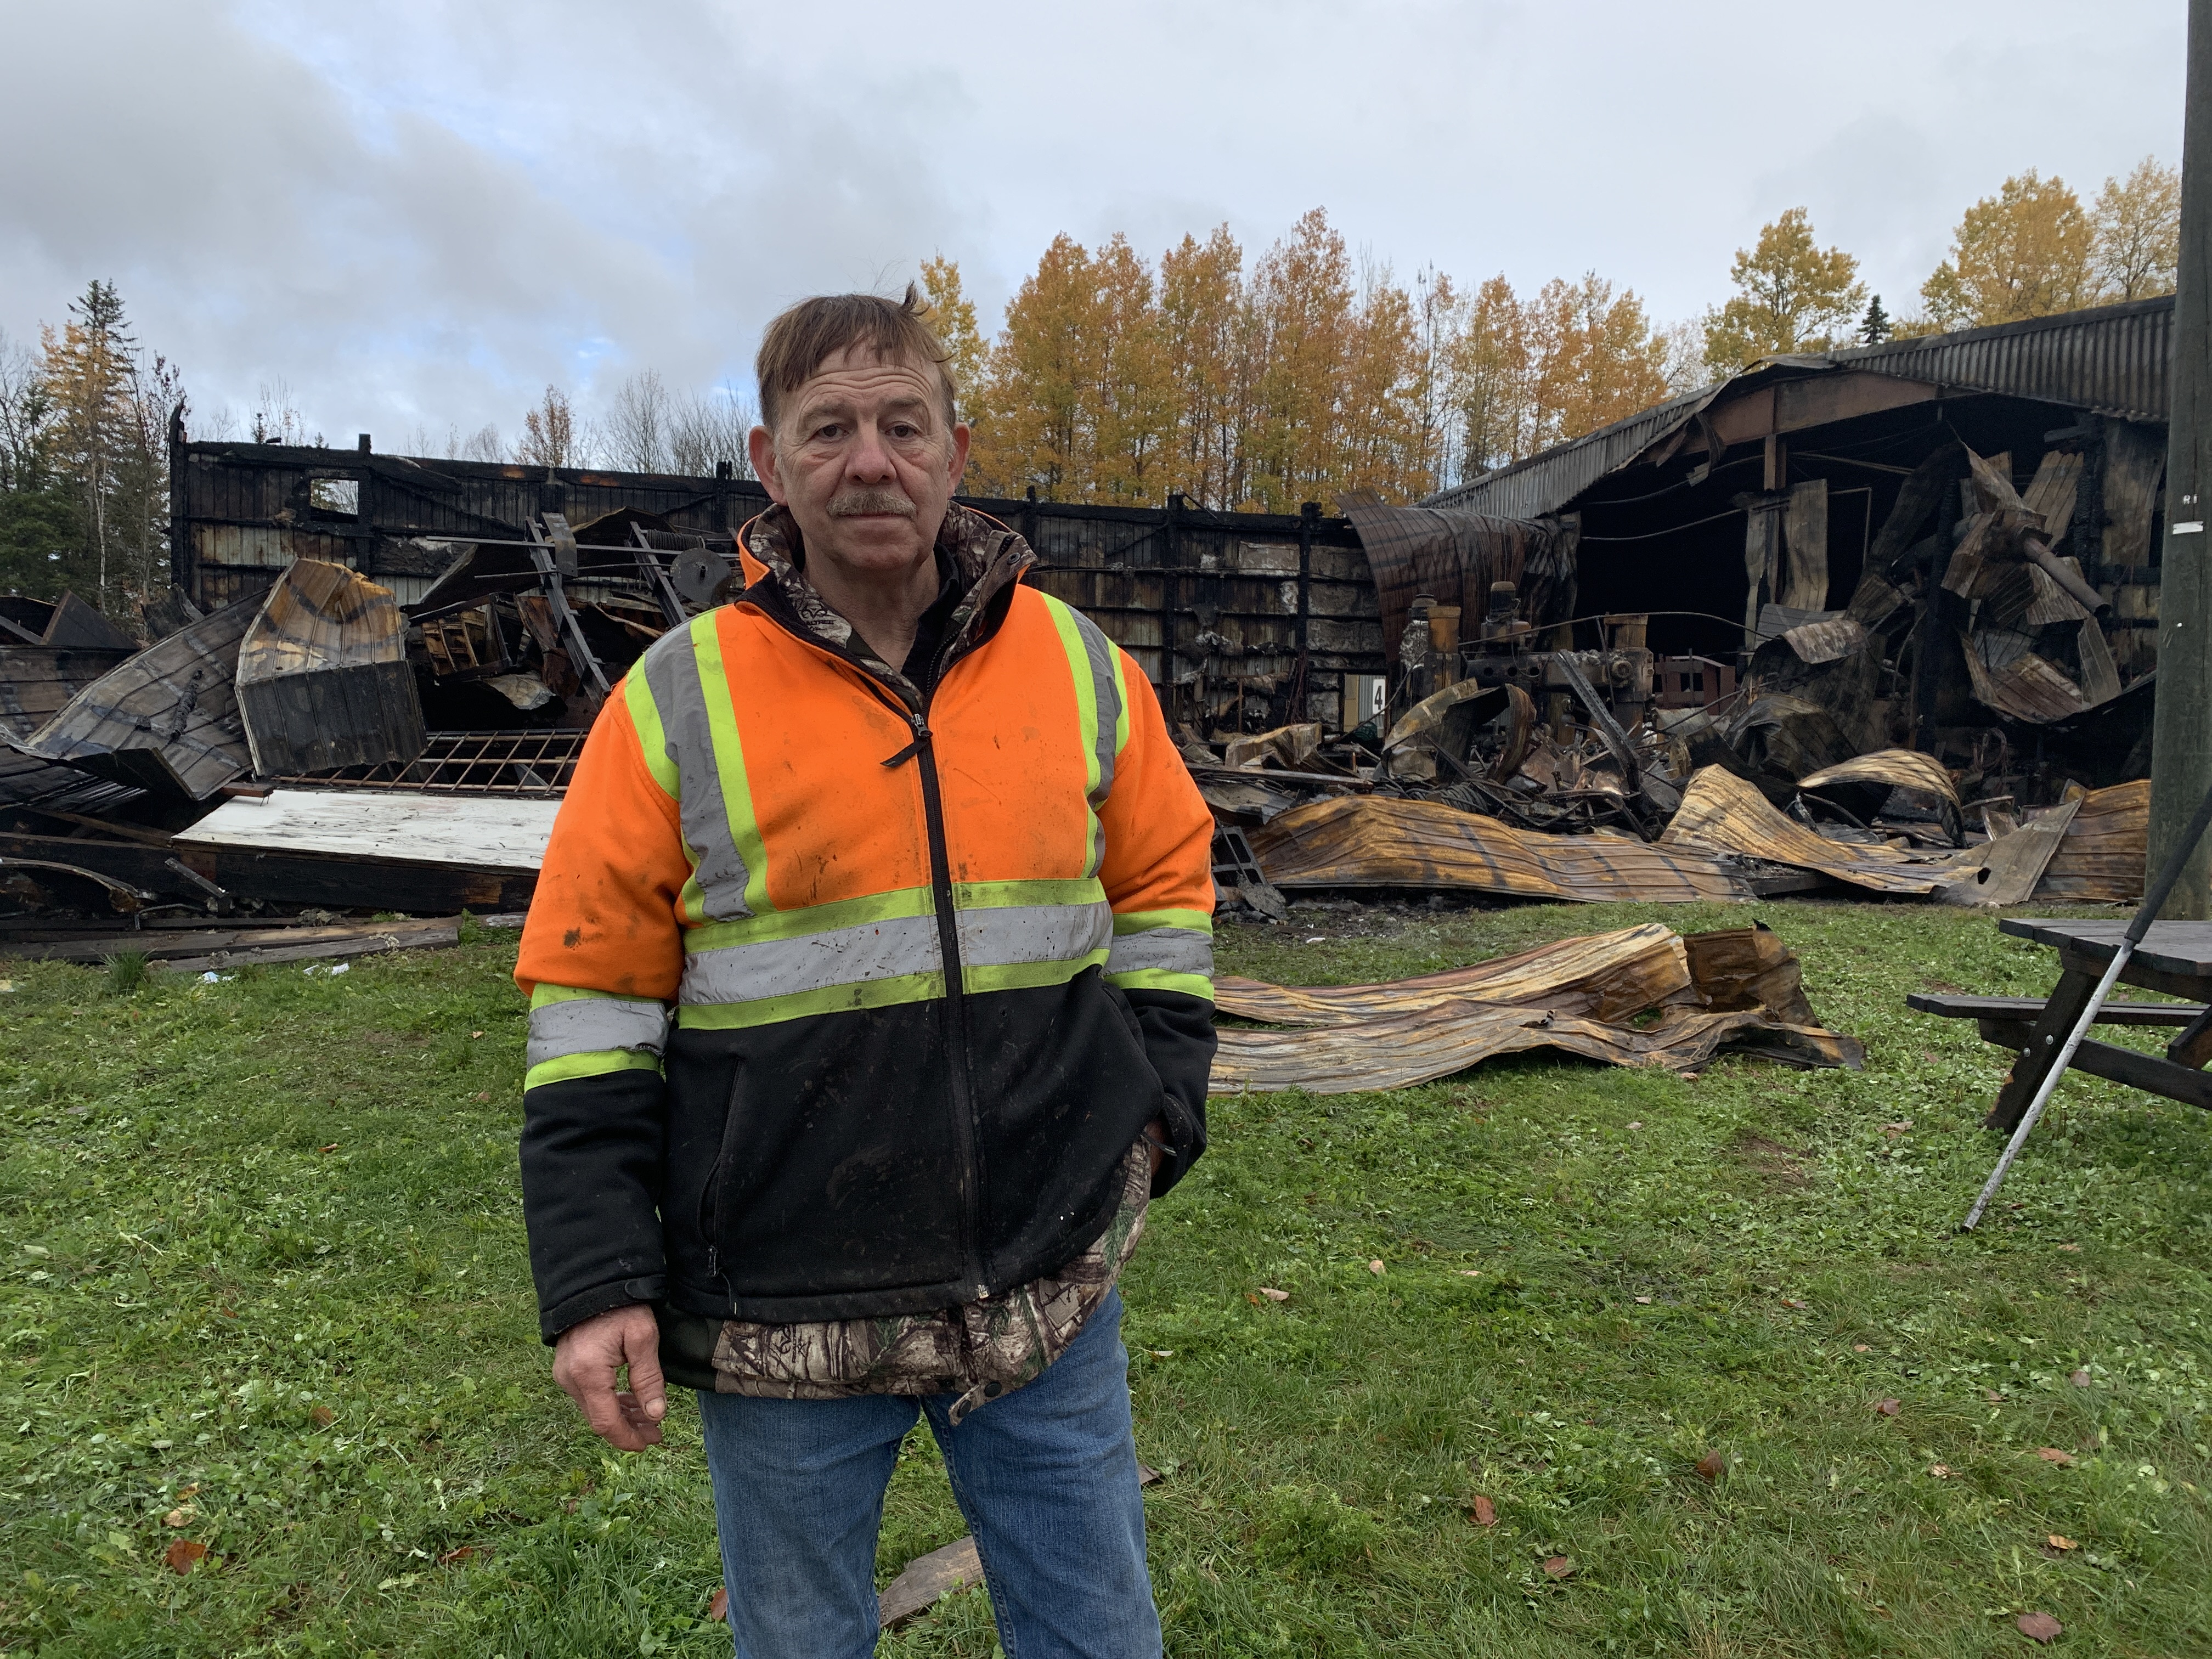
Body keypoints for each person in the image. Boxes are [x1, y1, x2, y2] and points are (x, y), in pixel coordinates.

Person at [514, 287, 1217, 1658]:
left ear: (958, 448)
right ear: (771, 466)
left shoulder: (1078, 666)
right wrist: (598, 1274)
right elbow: (590, 1004)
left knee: (1099, 1638)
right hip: (782, 1319)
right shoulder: (675, 699)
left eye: (904, 423)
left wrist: (1157, 1102)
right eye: (828, 428)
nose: (872, 459)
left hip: (1044, 1294)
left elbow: (1166, 884)